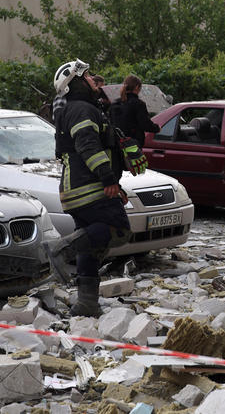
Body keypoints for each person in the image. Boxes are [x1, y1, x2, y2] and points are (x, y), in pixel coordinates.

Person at [49, 59, 133, 317]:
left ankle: (87, 303)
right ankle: (61, 250)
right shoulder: (82, 110)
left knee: (90, 242)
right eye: (86, 76)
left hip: (75, 188)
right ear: (75, 83)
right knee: (119, 229)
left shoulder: (76, 109)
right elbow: (88, 146)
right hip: (89, 187)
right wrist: (107, 179)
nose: (92, 79)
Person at [110, 75, 160, 148]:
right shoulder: (138, 104)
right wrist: (157, 128)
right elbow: (145, 124)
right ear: (137, 87)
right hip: (132, 145)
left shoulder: (114, 103)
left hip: (116, 144)